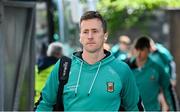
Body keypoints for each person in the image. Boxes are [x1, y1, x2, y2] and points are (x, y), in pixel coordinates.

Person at [35, 11, 141, 111]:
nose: (90, 36)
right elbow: (45, 104)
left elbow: (134, 108)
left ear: (105, 36)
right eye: (85, 32)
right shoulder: (64, 67)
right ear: (80, 37)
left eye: (95, 31)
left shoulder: (121, 70)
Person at [126, 36, 174, 111]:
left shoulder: (157, 68)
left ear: (148, 50)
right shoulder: (126, 67)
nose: (139, 53)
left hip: (152, 109)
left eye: (142, 50)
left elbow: (168, 90)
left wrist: (173, 109)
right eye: (137, 49)